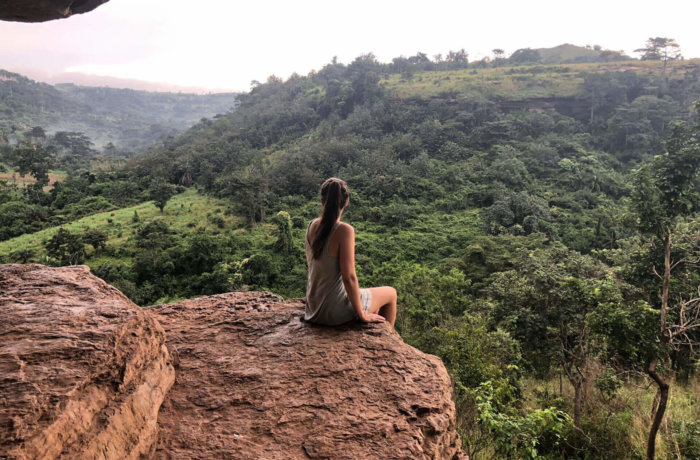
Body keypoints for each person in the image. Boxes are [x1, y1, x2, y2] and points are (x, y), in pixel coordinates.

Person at [305, 177, 397, 327]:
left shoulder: (311, 225)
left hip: (313, 307)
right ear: (346, 202)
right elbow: (349, 278)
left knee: (373, 301)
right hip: (333, 311)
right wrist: (361, 315)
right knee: (391, 293)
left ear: (322, 201)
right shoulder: (344, 230)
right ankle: (389, 342)